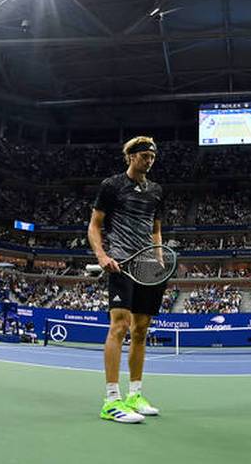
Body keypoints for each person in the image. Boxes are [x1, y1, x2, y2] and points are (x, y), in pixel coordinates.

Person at [88, 136, 165, 424]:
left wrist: (159, 260)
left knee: (141, 330)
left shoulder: (156, 191)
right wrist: (102, 256)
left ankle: (135, 394)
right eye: (144, 155)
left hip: (148, 265)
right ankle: (111, 400)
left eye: (152, 157)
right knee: (119, 326)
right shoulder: (111, 186)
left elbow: (156, 229)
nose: (149, 160)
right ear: (131, 156)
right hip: (121, 261)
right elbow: (94, 226)